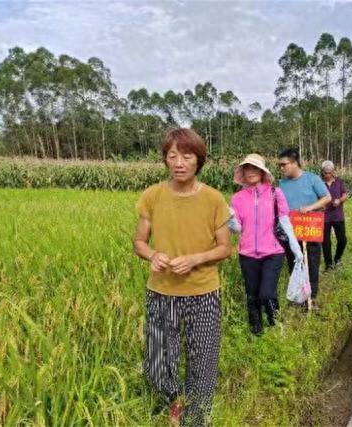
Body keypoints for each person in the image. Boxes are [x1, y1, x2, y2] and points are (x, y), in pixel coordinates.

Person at [133, 128, 231, 426]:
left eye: (186, 156)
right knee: (159, 359)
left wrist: (195, 259)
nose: (178, 162)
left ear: (198, 160)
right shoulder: (152, 196)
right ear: (165, 159)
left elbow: (225, 247)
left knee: (203, 356)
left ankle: (197, 415)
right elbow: (139, 242)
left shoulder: (214, 199)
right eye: (172, 155)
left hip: (203, 291)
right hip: (161, 291)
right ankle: (173, 402)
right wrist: (153, 255)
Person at [228, 154, 302, 335]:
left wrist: (296, 249)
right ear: (243, 173)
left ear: (262, 172)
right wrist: (229, 218)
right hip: (247, 254)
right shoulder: (237, 198)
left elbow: (285, 222)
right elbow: (237, 228)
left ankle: (273, 320)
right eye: (247, 168)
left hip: (273, 252)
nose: (251, 172)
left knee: (267, 293)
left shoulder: (275, 193)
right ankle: (256, 331)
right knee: (252, 295)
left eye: (255, 168)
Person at [278, 148, 331, 306]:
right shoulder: (282, 184)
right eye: (279, 165)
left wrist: (310, 207)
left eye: (284, 164)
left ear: (294, 163)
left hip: (309, 230)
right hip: (291, 232)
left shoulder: (312, 179)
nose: (281, 168)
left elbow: (327, 197)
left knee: (312, 263)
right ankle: (298, 296)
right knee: (294, 263)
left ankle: (311, 297)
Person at [320, 160, 348, 271]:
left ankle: (337, 258)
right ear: (322, 172)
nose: (327, 175)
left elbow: (345, 195)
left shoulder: (339, 182)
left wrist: (339, 200)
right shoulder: (319, 183)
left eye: (329, 172)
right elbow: (316, 198)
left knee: (342, 240)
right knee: (326, 242)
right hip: (325, 217)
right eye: (325, 173)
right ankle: (328, 265)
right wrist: (320, 206)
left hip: (338, 216)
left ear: (333, 171)